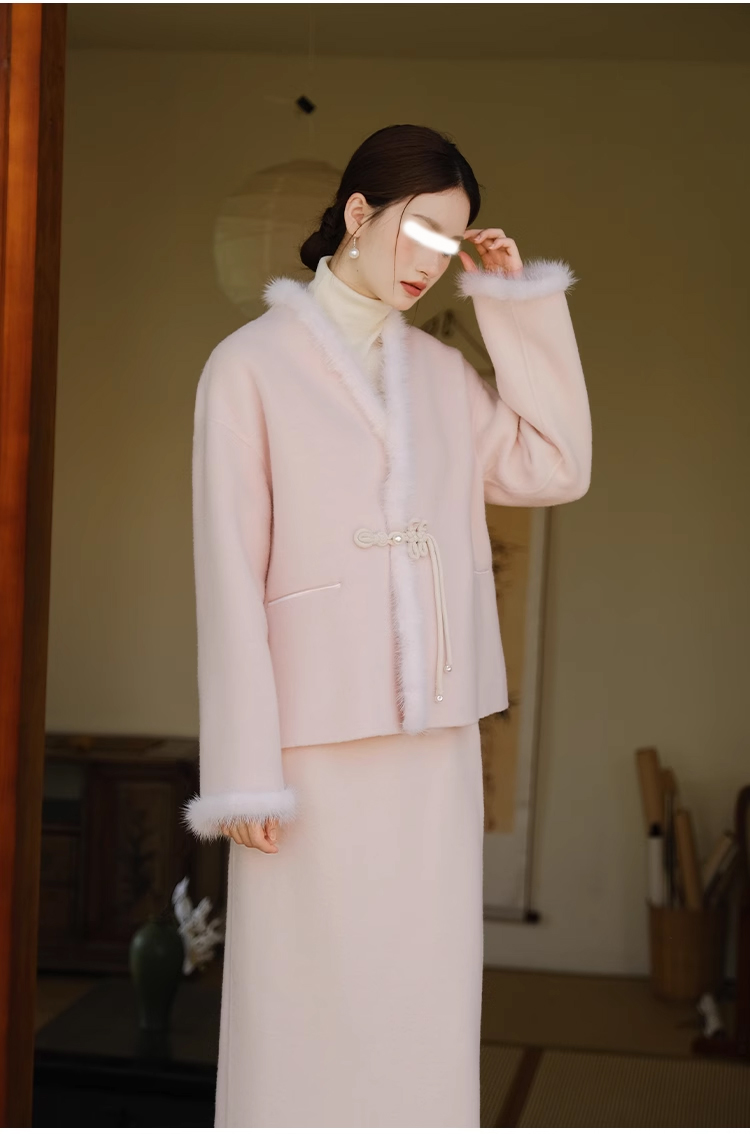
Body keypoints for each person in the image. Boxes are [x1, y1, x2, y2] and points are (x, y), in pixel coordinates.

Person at [182, 123, 592, 1127]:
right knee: (299, 1004)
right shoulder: (247, 367)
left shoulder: (444, 374)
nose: (431, 262)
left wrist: (514, 308)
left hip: (431, 742)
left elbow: (556, 467)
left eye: (451, 245)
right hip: (307, 748)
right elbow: (227, 573)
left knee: (421, 998)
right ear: (358, 213)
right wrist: (242, 771)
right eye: (419, 230)